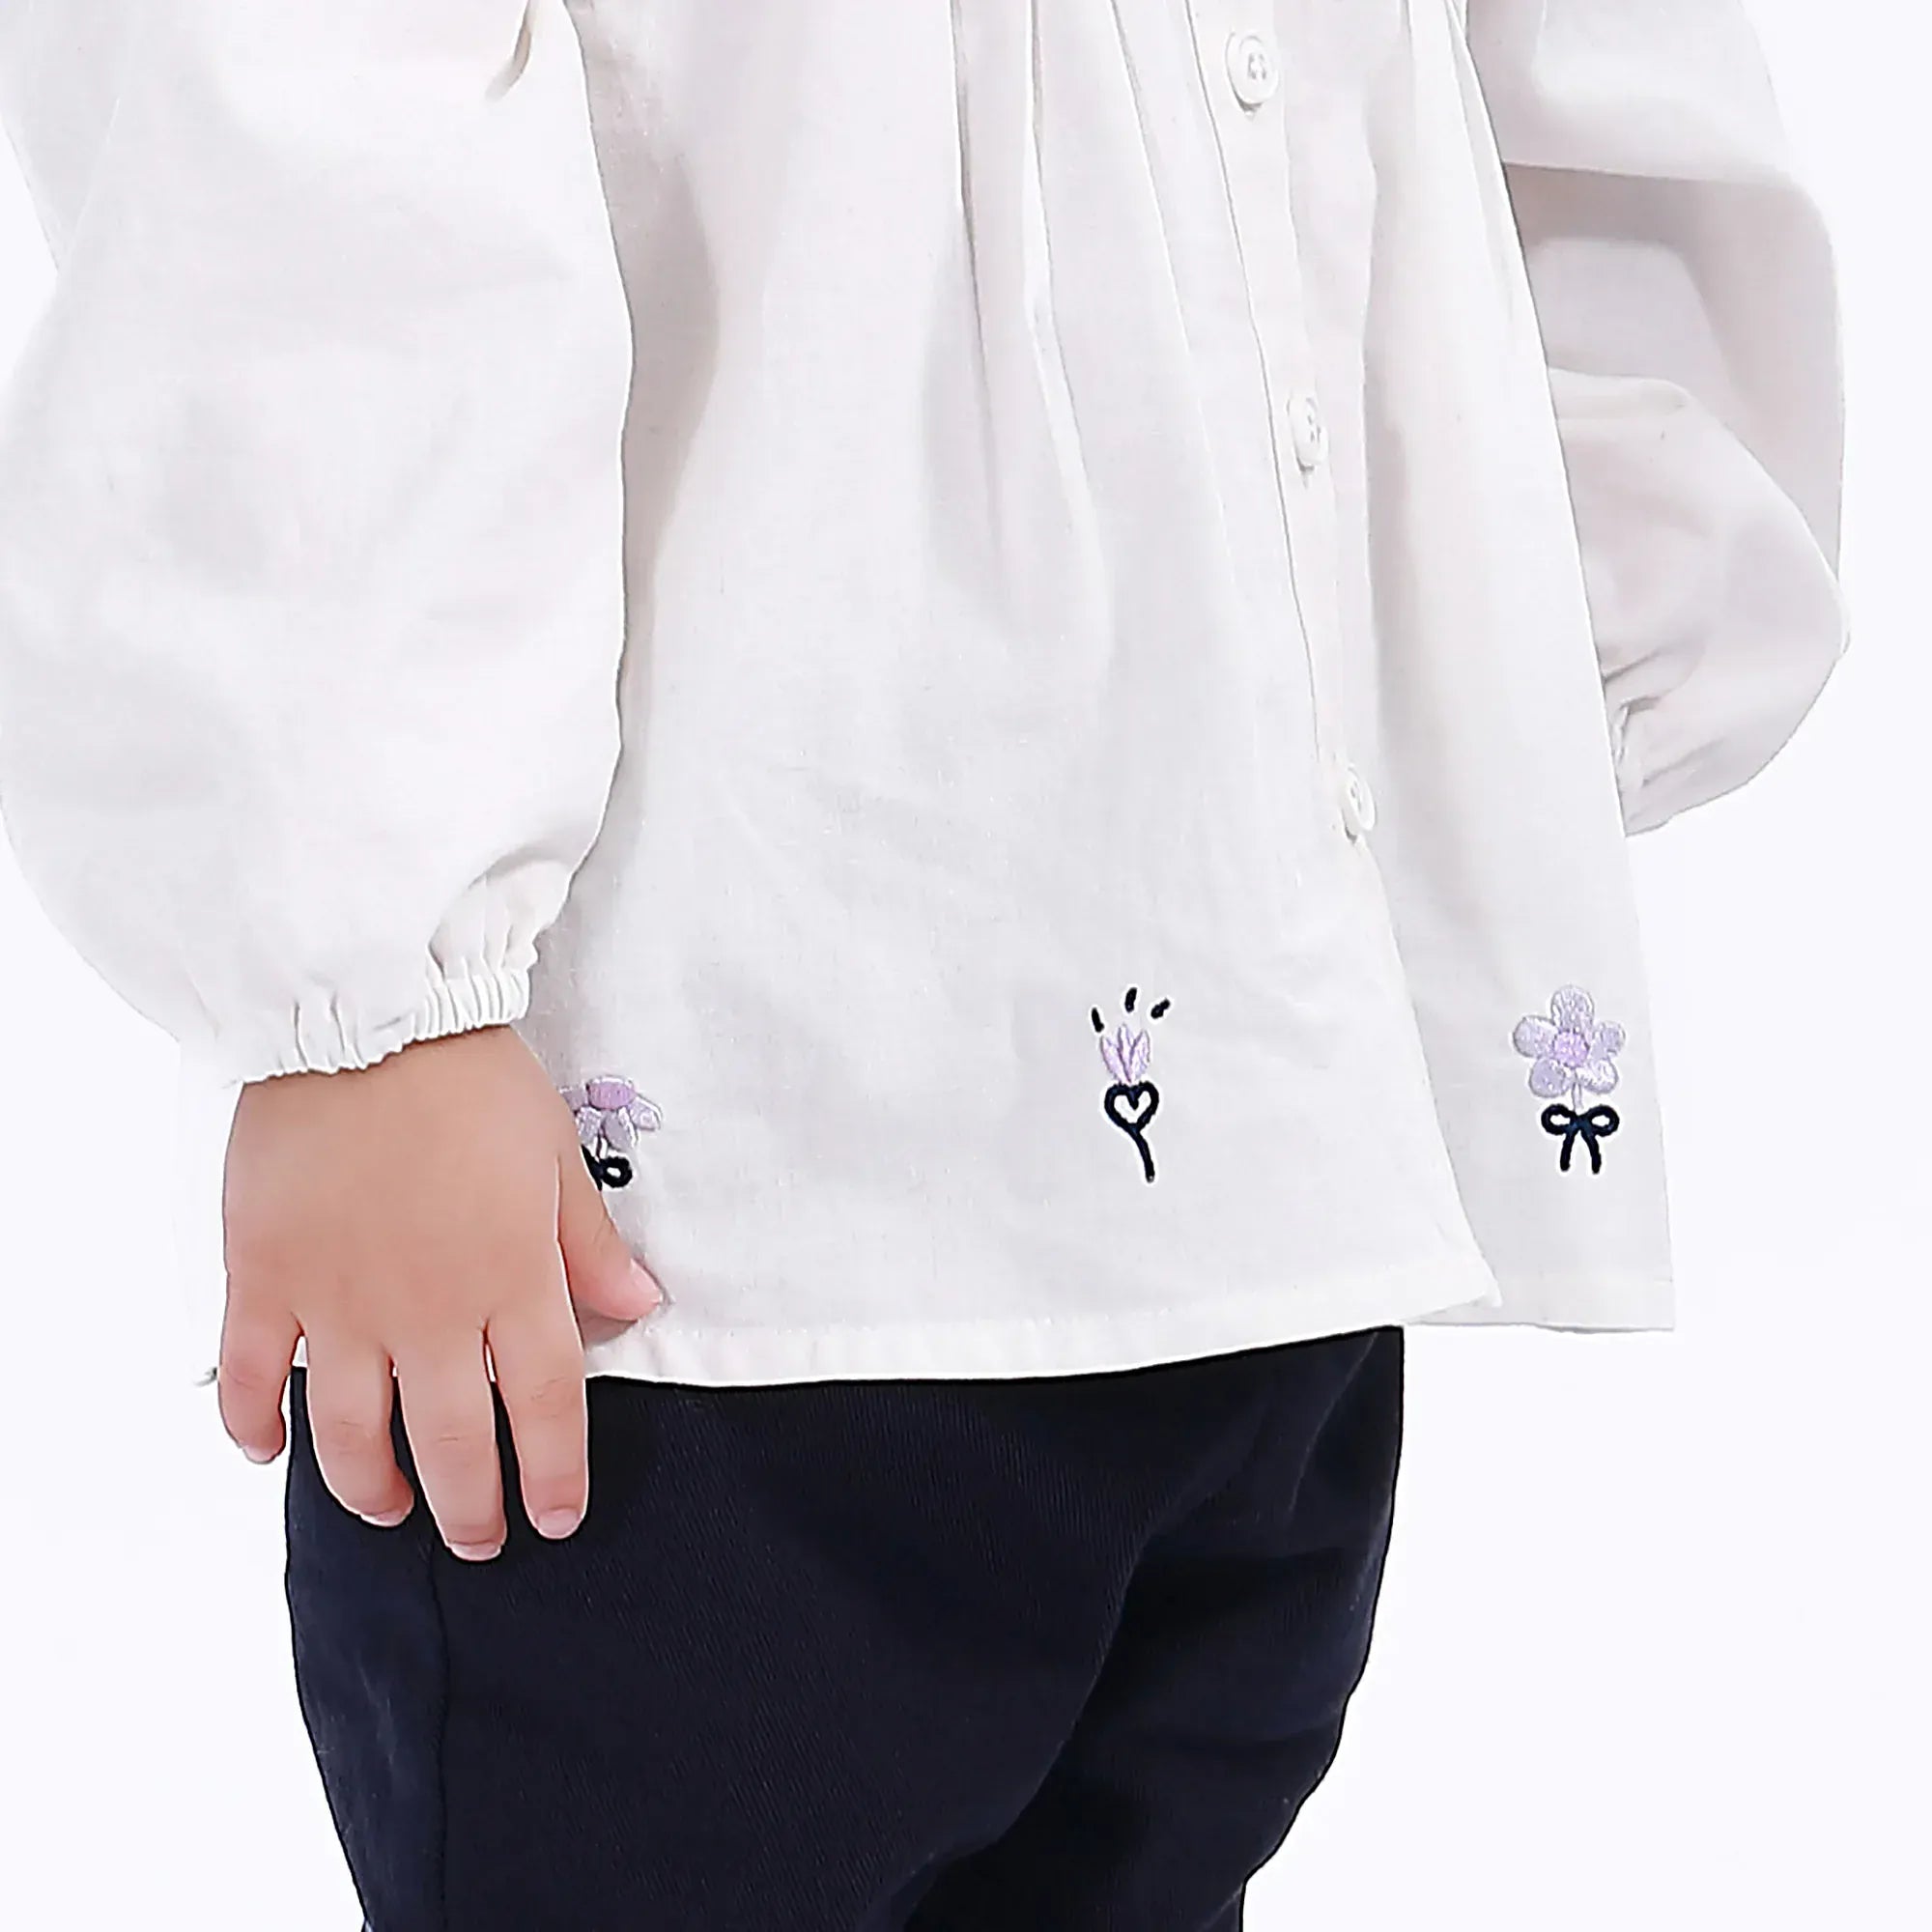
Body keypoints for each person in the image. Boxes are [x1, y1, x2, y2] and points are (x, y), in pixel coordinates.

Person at [0, 3, 1844, 1927]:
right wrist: (369, 971)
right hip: (686, 1223)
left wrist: (1536, 635)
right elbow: (287, 86)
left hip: (1273, 1125)